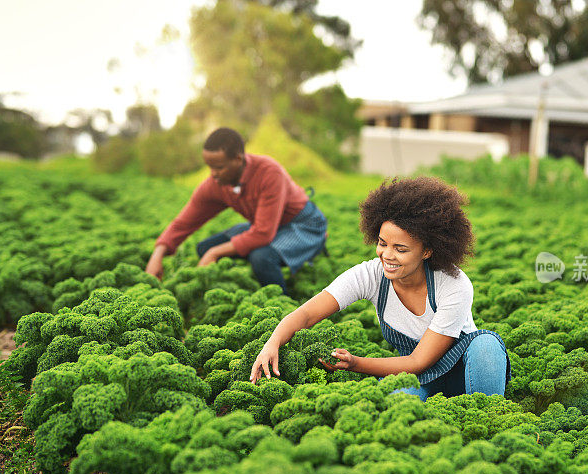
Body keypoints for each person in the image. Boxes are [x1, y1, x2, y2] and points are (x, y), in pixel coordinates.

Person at [249, 177, 510, 400]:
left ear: (428, 250)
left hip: (464, 371)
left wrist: (355, 364)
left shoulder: (453, 283)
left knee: (486, 344)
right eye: (383, 243)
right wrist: (273, 342)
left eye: (401, 249)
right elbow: (306, 315)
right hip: (416, 377)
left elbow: (419, 360)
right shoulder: (371, 274)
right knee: (397, 402)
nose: (387, 255)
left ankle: (489, 417)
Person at [145, 127, 327, 294]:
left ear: (238, 160)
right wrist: (157, 254)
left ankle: (283, 305)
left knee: (261, 258)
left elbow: (263, 234)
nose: (213, 174)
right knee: (204, 248)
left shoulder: (269, 173)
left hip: (303, 223)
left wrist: (215, 253)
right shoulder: (215, 184)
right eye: (210, 167)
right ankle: (243, 287)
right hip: (267, 224)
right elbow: (184, 222)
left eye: (219, 167)